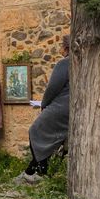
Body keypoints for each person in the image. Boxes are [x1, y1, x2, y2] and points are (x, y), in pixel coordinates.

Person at [16, 35, 70, 184]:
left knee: (35, 130)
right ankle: (33, 170)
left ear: (65, 48)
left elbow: (52, 88)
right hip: (72, 107)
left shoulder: (65, 63)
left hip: (62, 107)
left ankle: (40, 169)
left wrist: (44, 104)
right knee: (43, 133)